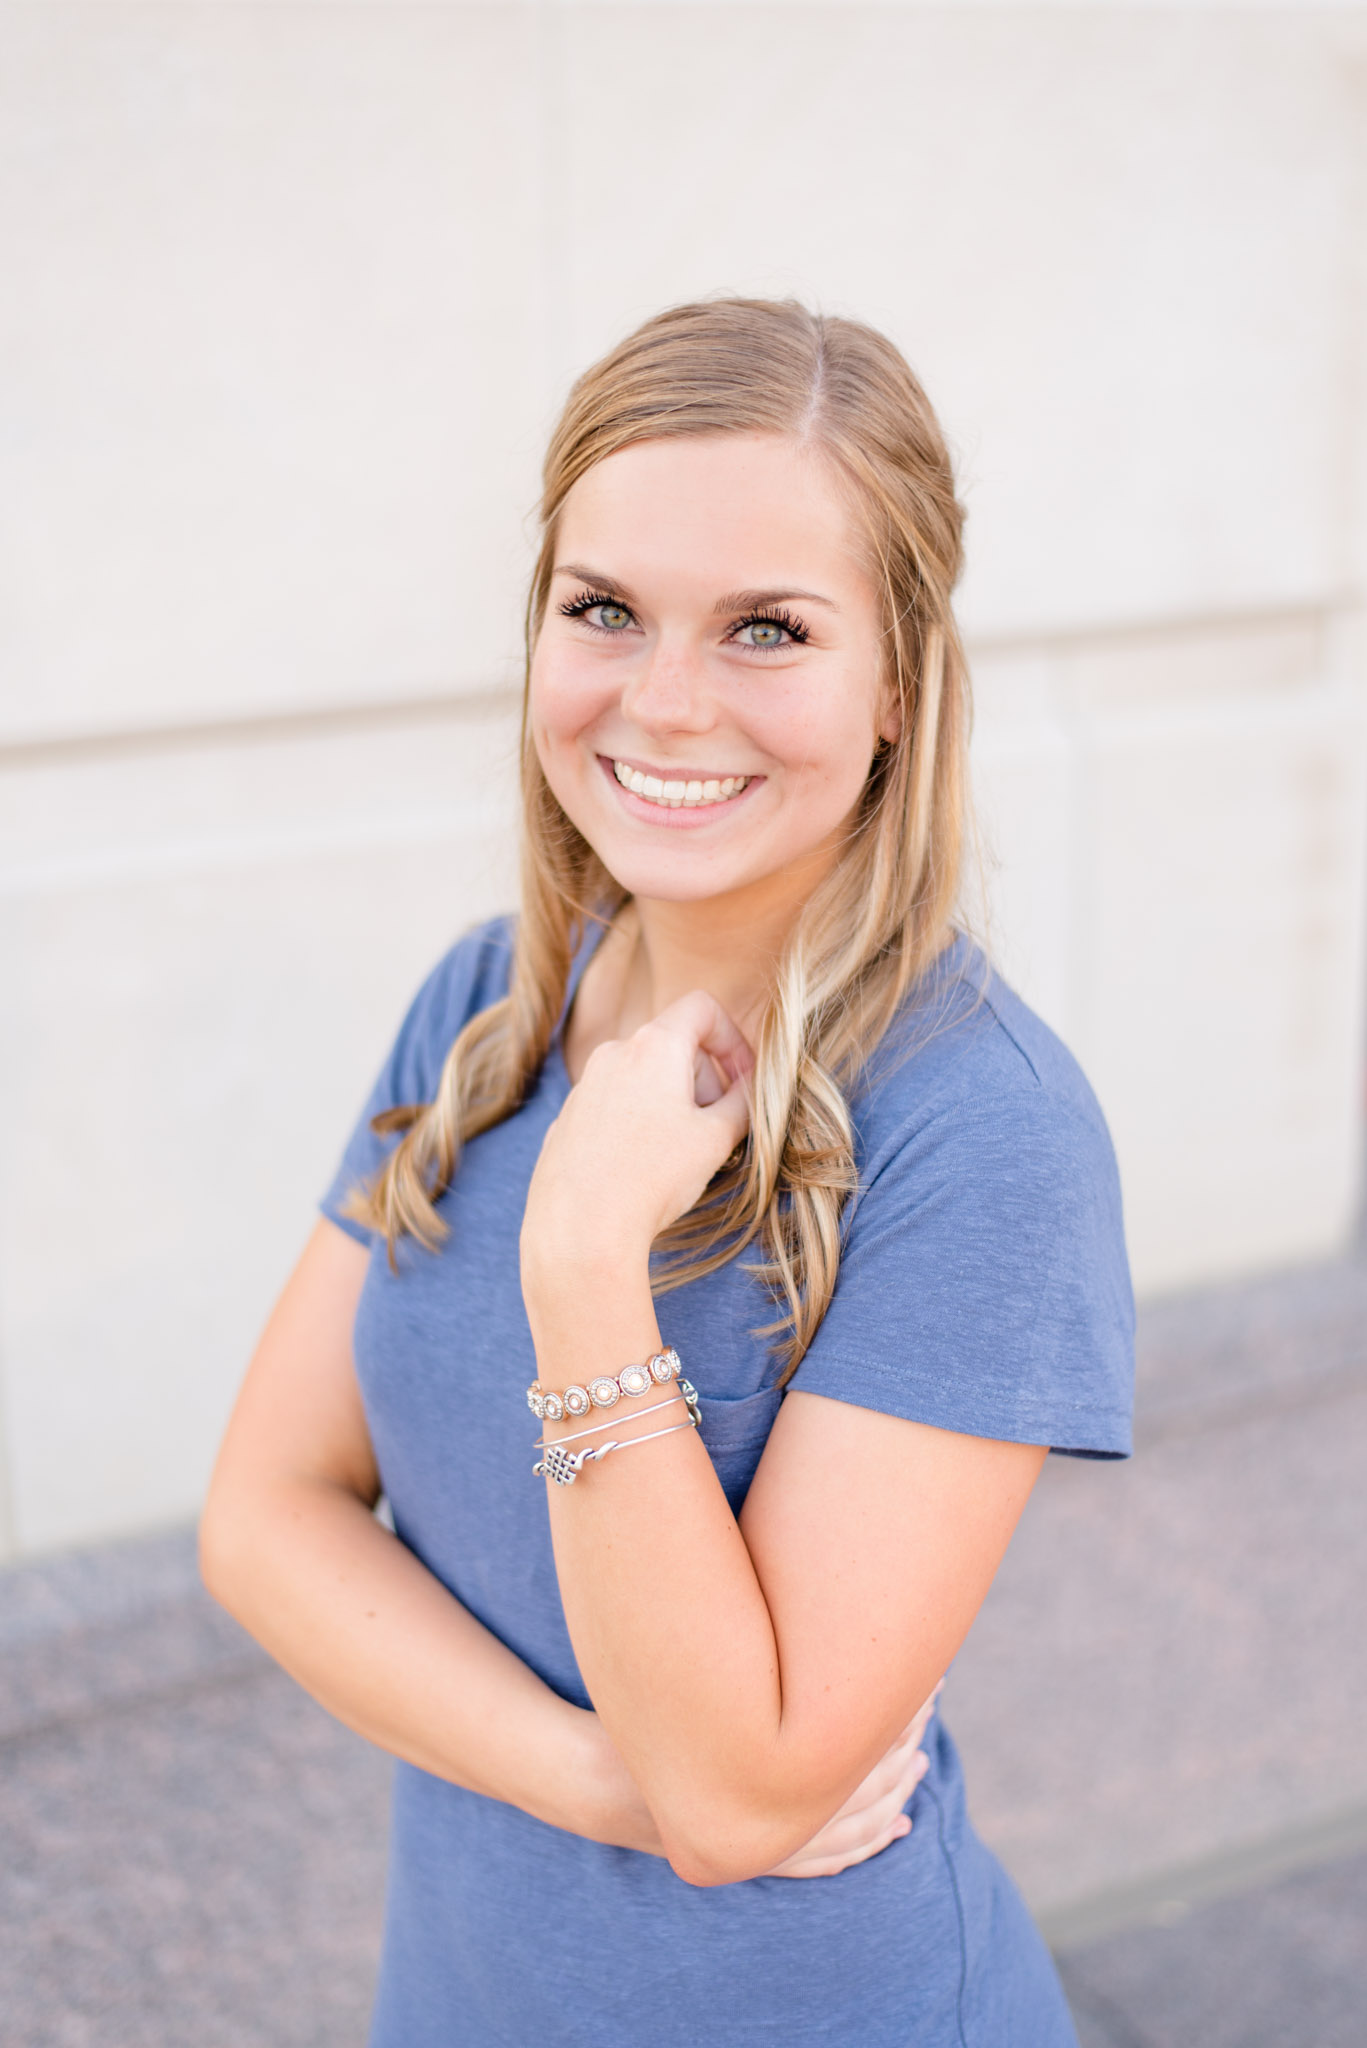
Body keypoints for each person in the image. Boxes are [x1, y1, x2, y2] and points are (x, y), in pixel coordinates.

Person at [201, 297, 1134, 2046]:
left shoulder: (984, 1132)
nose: (667, 701)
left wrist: (582, 1263)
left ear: (896, 691)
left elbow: (737, 1794)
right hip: (464, 1998)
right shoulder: (489, 1003)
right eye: (604, 610)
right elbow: (264, 1519)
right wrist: (583, 1775)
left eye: (768, 628)